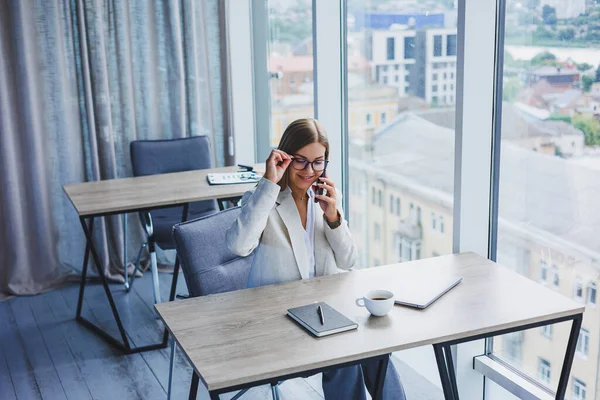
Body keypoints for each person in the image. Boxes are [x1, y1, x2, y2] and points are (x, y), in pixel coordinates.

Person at [226, 118, 407, 400]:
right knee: (345, 354)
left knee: (376, 348)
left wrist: (333, 218)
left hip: (323, 312)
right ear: (284, 158)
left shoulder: (324, 197)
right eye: (300, 161)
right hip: (277, 319)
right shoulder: (262, 199)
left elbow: (348, 260)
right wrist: (268, 182)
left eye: (318, 162)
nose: (309, 171)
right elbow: (238, 246)